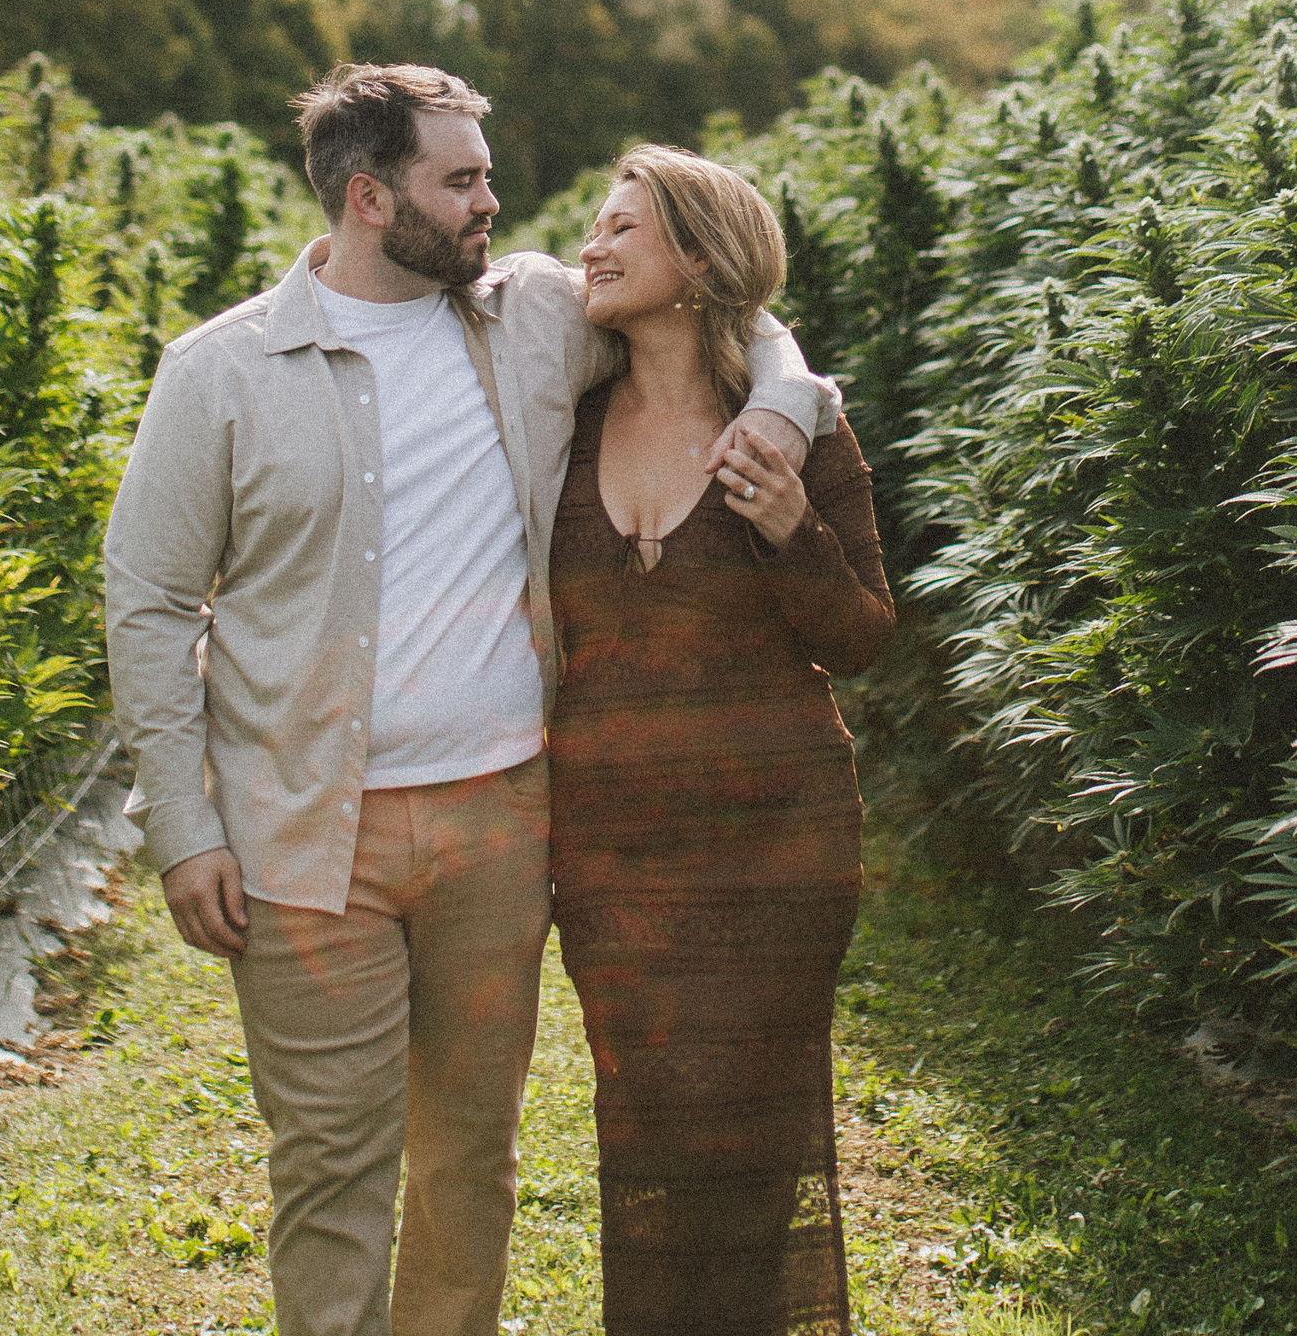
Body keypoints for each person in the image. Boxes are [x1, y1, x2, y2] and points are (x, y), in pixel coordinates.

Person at [102, 65, 832, 1336]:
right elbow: (150, 601)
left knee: (467, 1158)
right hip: (301, 837)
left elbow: (737, 308)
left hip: (497, 824)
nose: (492, 201)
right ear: (370, 197)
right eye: (461, 180)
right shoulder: (221, 371)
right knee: (329, 1162)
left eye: (486, 174)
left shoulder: (534, 313)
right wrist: (183, 825)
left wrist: (778, 407)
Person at [547, 143, 895, 1336]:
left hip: (775, 851)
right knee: (643, 1120)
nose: (590, 246)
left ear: (697, 261)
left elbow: (861, 635)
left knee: (752, 1132)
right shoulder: (560, 425)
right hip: (610, 854)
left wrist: (794, 528)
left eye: (619, 228)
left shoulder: (797, 435)